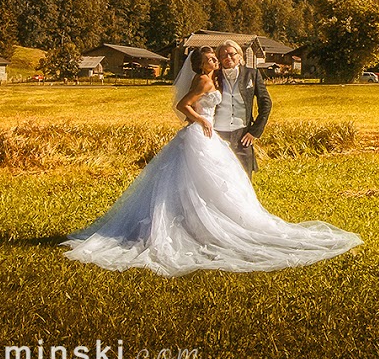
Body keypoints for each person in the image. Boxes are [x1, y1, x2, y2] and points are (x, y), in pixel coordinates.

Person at [61, 46, 361, 277]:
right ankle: (200, 226)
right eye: (211, 59)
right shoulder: (204, 81)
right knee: (198, 181)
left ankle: (208, 221)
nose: (216, 62)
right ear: (201, 64)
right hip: (200, 134)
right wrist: (201, 120)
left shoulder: (211, 78)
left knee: (213, 182)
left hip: (208, 135)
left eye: (217, 59)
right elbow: (182, 105)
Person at [213, 40, 269, 178]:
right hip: (218, 133)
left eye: (232, 54)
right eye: (224, 56)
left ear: (240, 56)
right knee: (220, 177)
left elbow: (266, 103)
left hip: (242, 134)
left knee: (244, 177)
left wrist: (255, 131)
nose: (228, 58)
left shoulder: (252, 74)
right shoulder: (213, 76)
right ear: (219, 59)